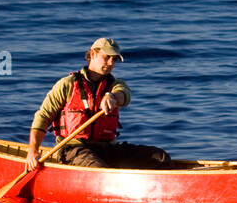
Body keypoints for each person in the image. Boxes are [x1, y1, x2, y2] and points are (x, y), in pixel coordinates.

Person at [25, 37, 172, 171]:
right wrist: (33, 151)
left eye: (114, 59)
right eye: (106, 57)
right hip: (74, 149)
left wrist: (112, 97)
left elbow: (124, 95)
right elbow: (43, 117)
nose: (110, 63)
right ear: (93, 54)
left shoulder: (116, 85)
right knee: (99, 169)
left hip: (107, 149)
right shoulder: (67, 84)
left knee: (160, 157)